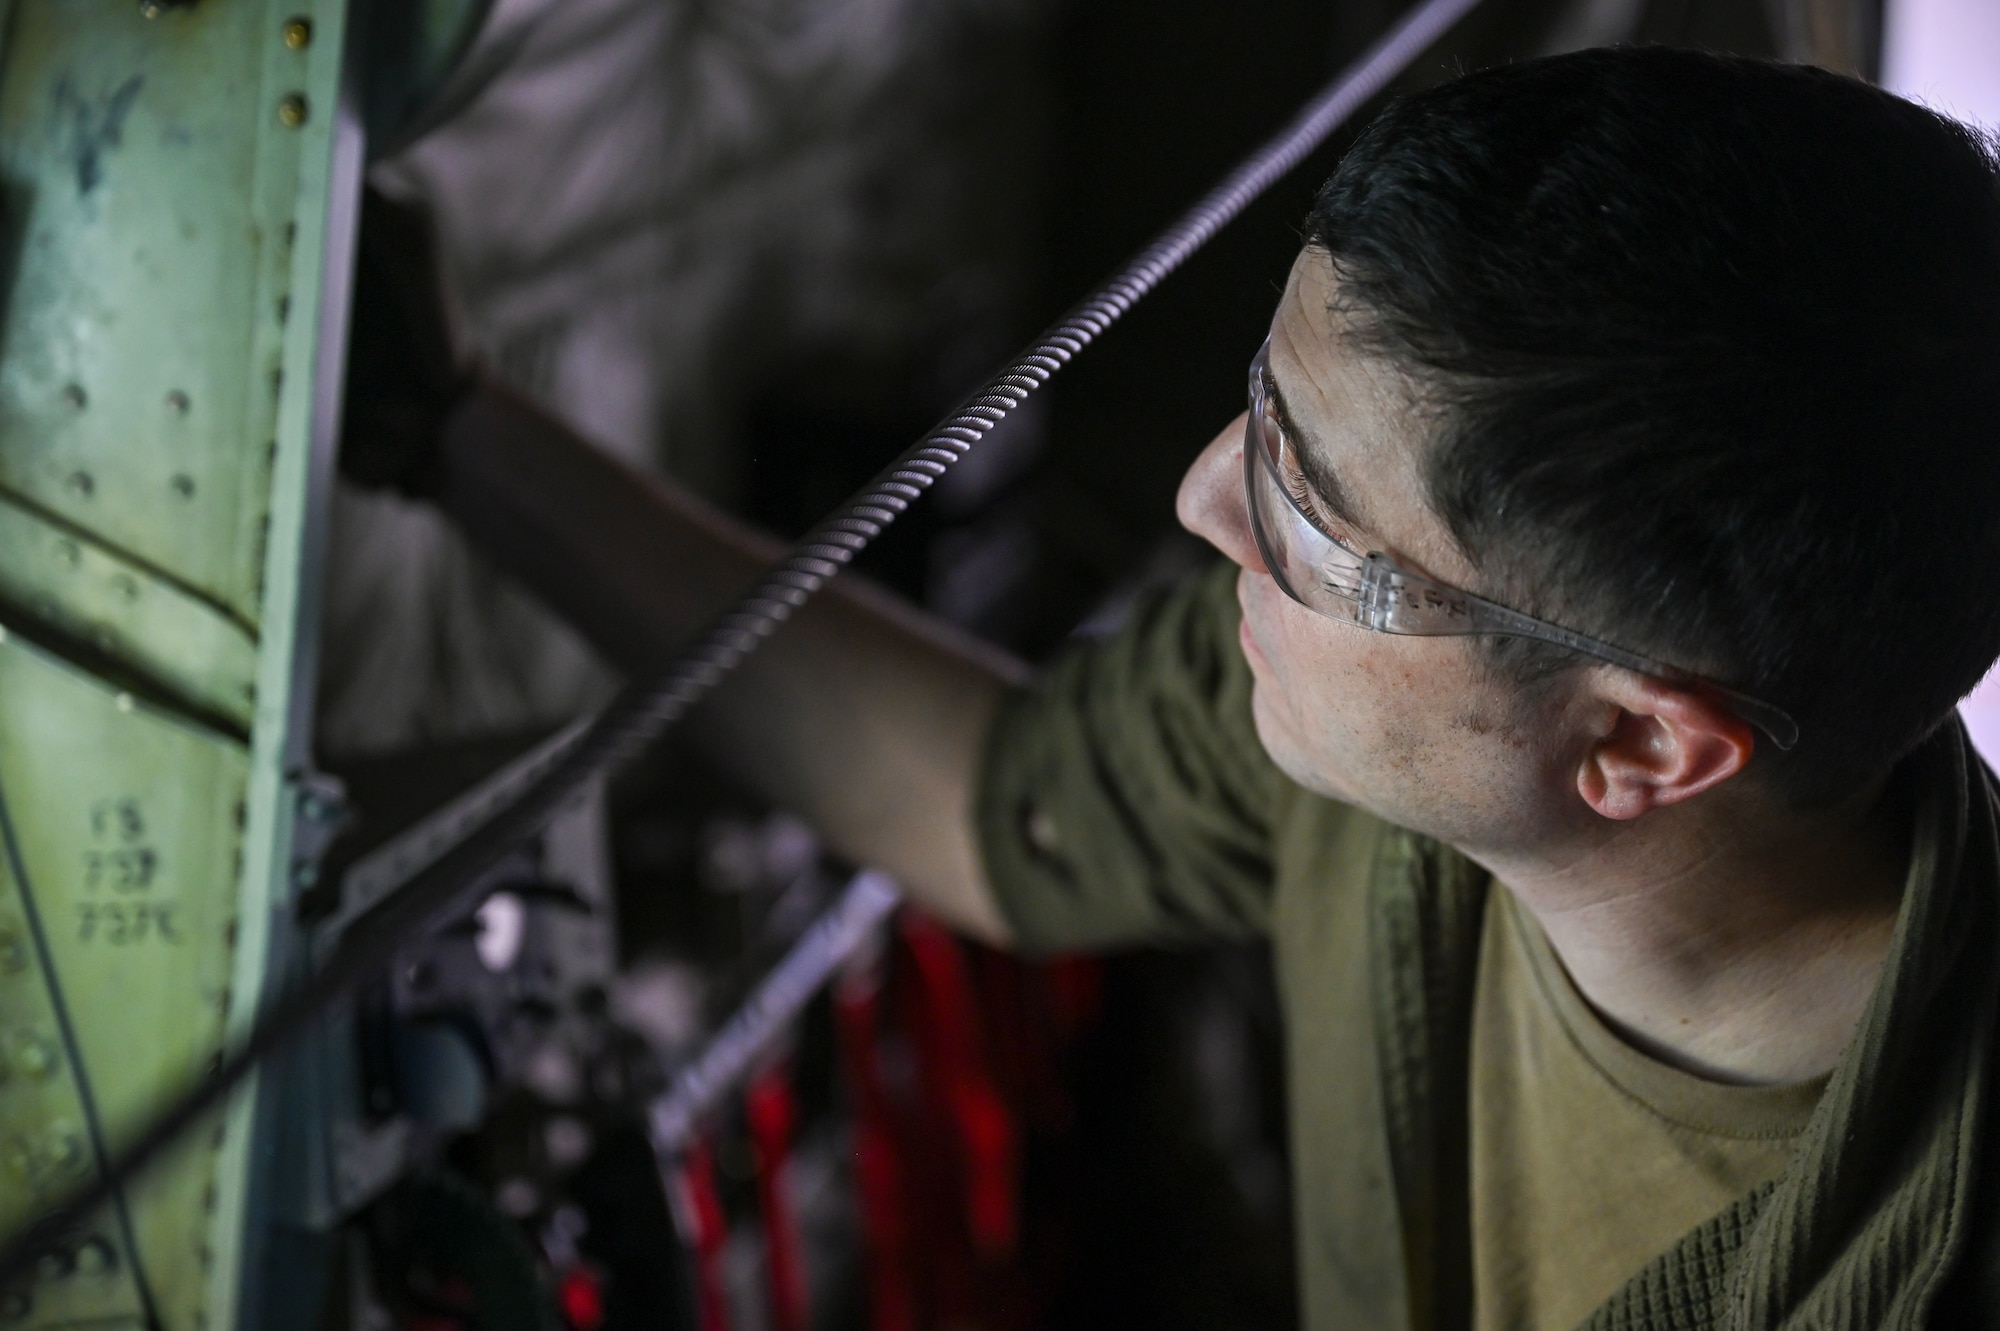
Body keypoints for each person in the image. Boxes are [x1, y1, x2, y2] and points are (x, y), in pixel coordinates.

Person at [346, 45, 2000, 1330]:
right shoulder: (1418, 753)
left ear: (1638, 743)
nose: (1208, 500)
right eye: (1262, 412)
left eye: (1310, 509)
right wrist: (457, 431)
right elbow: (1004, 805)